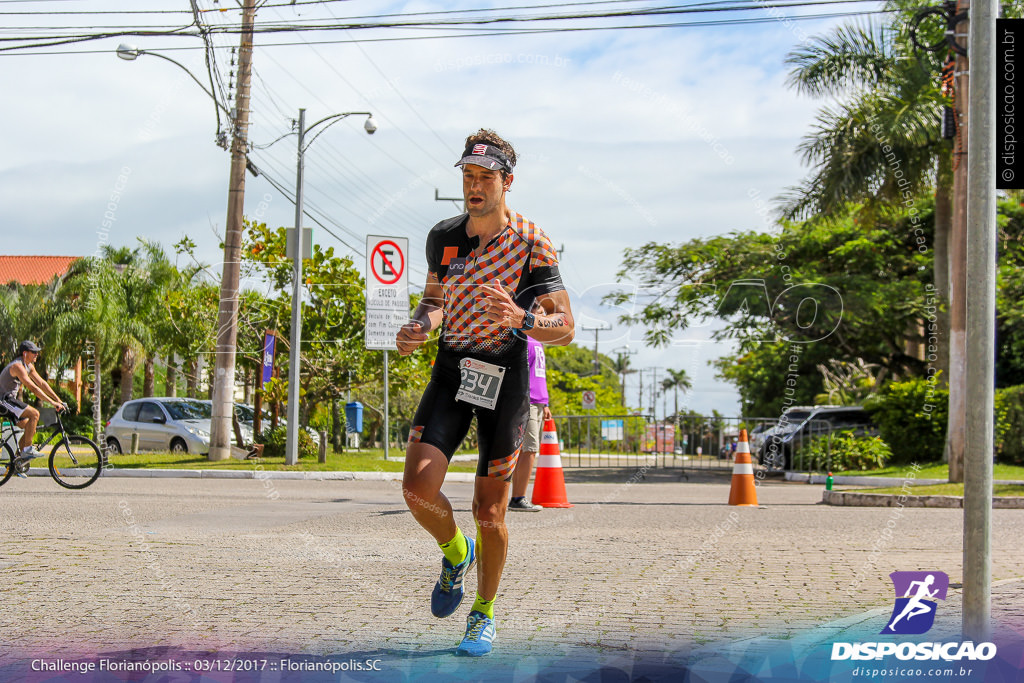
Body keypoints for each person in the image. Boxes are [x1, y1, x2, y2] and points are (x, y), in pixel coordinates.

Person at [396, 128, 575, 657]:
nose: (475, 187)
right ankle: (456, 553)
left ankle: (483, 613)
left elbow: (564, 324)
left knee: (490, 512)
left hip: (505, 375)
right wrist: (419, 326)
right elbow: (433, 302)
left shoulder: (531, 242)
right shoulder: (444, 236)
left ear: (507, 182)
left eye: (485, 178)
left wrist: (522, 317)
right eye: (468, 177)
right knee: (415, 490)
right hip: (452, 370)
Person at [0, 341, 68, 476]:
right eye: (34, 352)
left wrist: (59, 400)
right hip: (3, 400)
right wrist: (53, 403)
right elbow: (33, 388)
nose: (37, 354)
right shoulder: (18, 366)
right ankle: (27, 450)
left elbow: (42, 383)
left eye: (37, 352)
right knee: (35, 414)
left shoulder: (29, 366)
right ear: (25, 353)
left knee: (31, 427)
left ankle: (19, 462)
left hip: (10, 400)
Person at [508, 324, 549, 512]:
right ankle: (518, 498)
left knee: (528, 450)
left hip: (538, 401)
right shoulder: (521, 340)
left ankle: (517, 496)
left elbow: (538, 374)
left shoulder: (537, 341)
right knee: (528, 450)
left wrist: (545, 402)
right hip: (528, 399)